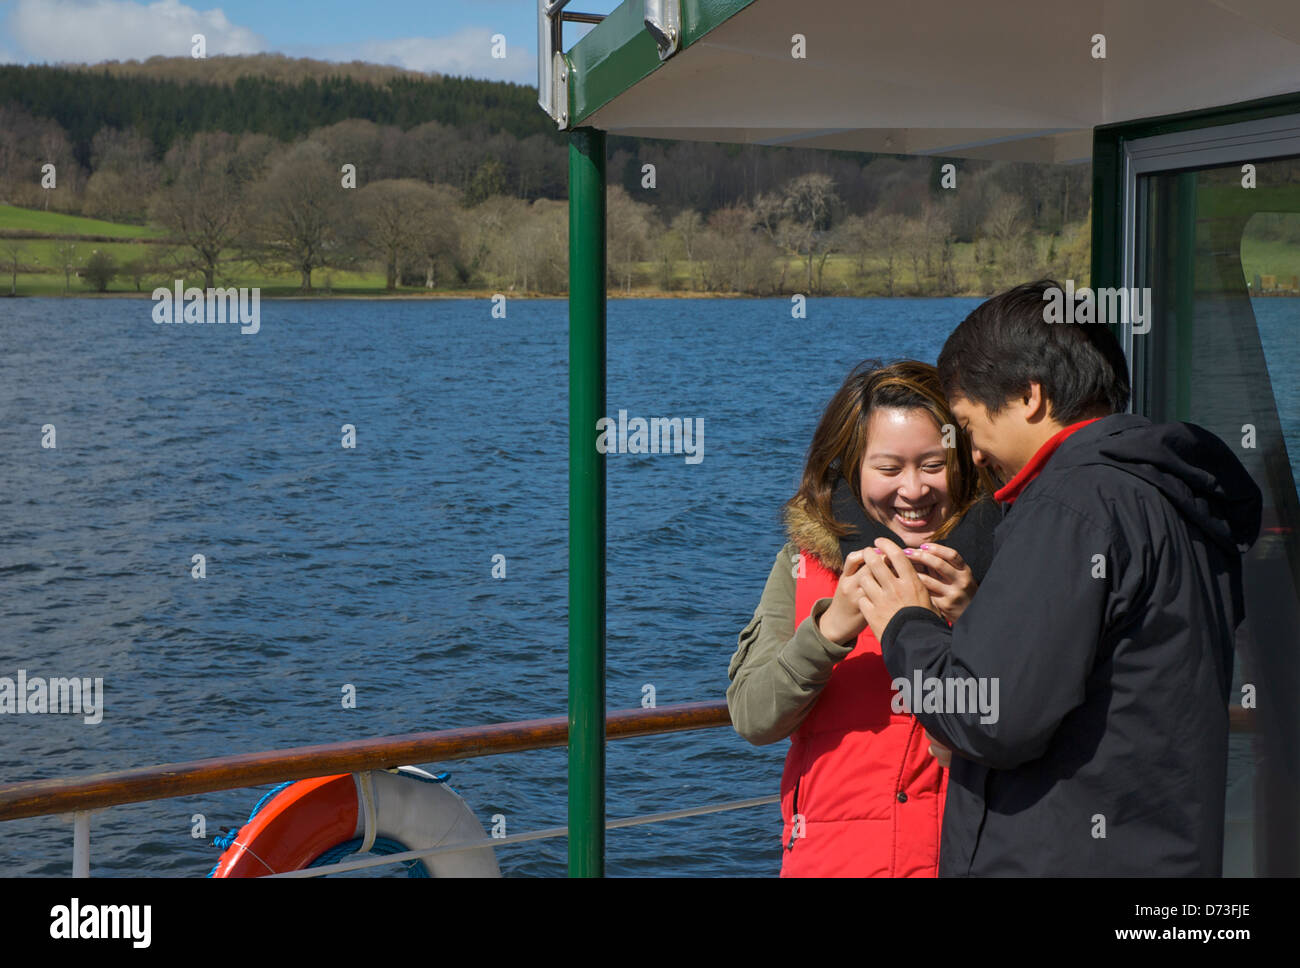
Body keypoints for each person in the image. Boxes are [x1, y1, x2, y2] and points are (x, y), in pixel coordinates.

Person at [855, 280, 1262, 876]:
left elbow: (990, 718)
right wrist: (979, 622)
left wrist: (904, 625)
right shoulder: (1174, 495)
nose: (972, 455)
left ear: (1030, 397)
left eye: (967, 428)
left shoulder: (1071, 503)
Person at [727, 359, 1000, 877]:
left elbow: (1029, 719)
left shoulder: (1007, 557)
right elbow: (754, 717)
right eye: (889, 468)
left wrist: (971, 614)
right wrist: (831, 629)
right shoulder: (802, 564)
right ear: (851, 470)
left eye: (934, 464)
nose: (914, 491)